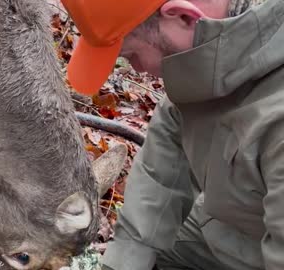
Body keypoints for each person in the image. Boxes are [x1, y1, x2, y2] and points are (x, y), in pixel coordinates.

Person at [61, 0, 283, 269]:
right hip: (223, 232)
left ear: (183, 17)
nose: (137, 69)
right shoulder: (204, 65)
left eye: (131, 55)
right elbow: (160, 176)